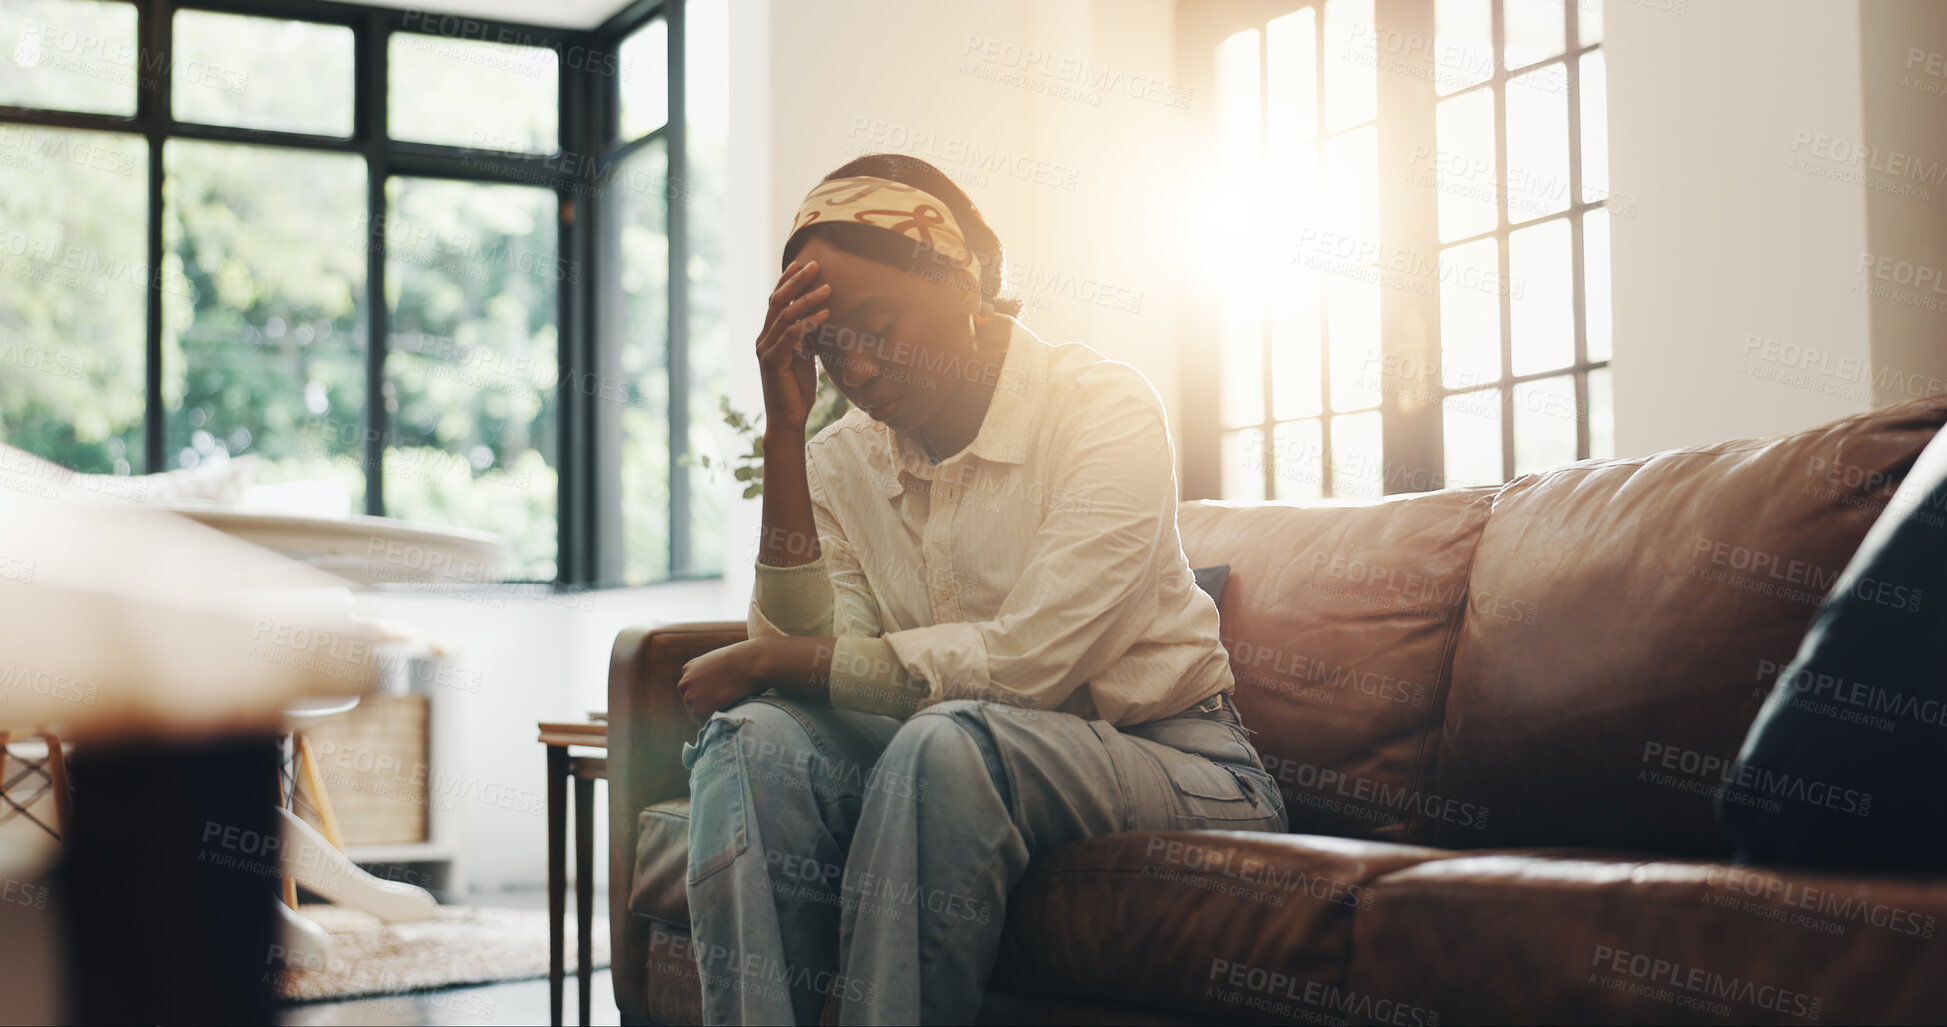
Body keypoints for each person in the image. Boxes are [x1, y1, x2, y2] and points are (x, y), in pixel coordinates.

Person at [673, 152, 1287, 1026]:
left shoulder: (1102, 408)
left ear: (964, 285)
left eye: (878, 325)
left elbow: (1032, 662)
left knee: (949, 744)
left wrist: (795, 657)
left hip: (1176, 760)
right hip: (943, 752)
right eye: (827, 344)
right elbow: (806, 662)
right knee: (752, 739)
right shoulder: (837, 457)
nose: (859, 368)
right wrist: (783, 430)